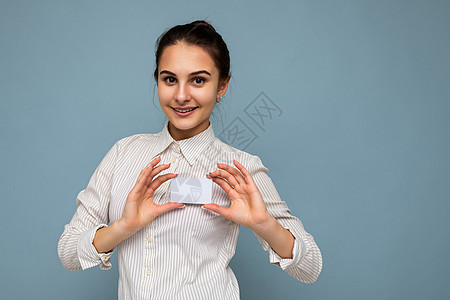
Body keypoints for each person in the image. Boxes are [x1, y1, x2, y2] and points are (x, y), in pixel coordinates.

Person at [58, 20, 322, 299]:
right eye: (169, 79)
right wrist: (123, 227)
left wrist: (264, 224)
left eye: (198, 80)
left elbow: (310, 268)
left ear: (222, 86)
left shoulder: (240, 169)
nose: (181, 96)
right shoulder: (123, 153)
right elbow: (68, 253)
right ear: (157, 80)